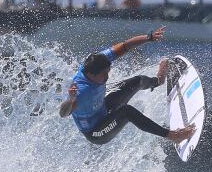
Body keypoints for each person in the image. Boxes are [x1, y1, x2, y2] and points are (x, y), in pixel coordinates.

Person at [59, 26, 195, 145]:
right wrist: (71, 100)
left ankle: (158, 81)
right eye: (104, 74)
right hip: (96, 132)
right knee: (126, 111)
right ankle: (174, 136)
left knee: (138, 80)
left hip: (103, 108)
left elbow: (125, 46)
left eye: (108, 72)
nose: (107, 77)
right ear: (92, 75)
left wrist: (149, 37)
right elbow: (63, 113)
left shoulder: (98, 60)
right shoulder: (81, 92)